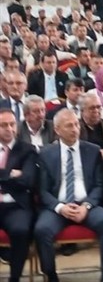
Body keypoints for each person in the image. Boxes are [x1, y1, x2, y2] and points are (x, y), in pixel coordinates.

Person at [35, 109, 103, 282]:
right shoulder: (46, 154)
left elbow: (99, 185)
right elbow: (43, 191)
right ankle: (51, 275)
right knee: (42, 229)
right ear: (57, 130)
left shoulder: (92, 151)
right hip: (58, 206)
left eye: (76, 125)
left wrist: (86, 206)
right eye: (69, 126)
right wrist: (60, 208)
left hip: (86, 205)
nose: (75, 129)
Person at [0, 109, 37, 282]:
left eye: (12, 124)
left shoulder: (27, 150)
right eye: (3, 125)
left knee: (21, 230)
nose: (9, 129)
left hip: (17, 205)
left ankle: (14, 278)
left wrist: (3, 175)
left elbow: (27, 180)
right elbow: (18, 180)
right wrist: (11, 174)